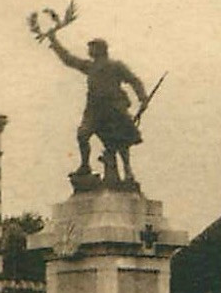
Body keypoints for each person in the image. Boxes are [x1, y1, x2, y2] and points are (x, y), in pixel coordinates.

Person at [45, 35, 150, 184]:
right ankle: (85, 165)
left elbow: (134, 80)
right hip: (94, 109)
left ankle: (127, 171)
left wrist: (143, 98)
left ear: (100, 49)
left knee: (120, 141)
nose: (89, 50)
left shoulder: (115, 66)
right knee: (82, 134)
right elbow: (69, 59)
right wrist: (54, 42)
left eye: (92, 47)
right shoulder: (90, 67)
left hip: (113, 108)